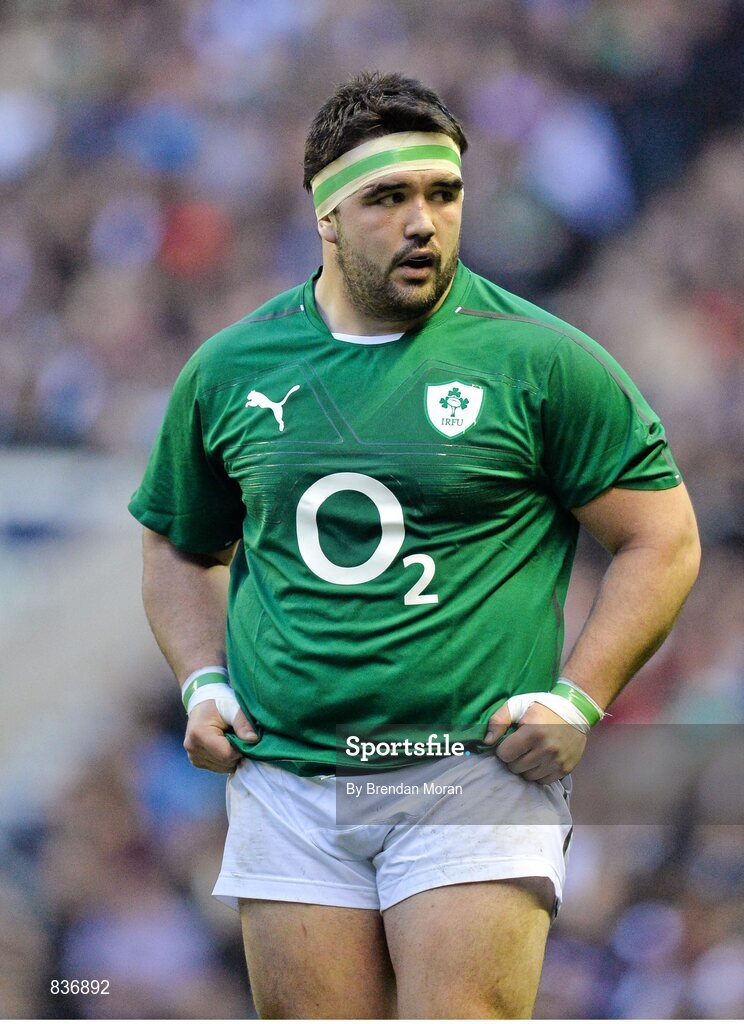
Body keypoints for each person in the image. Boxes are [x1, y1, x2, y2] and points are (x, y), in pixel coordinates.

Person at [129, 71, 700, 1019]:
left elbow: (661, 538)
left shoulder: (540, 359)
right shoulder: (229, 369)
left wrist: (579, 696)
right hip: (288, 777)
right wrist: (199, 678)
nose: (423, 221)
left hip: (468, 767)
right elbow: (177, 547)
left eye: (443, 194)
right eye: (388, 198)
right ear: (325, 216)